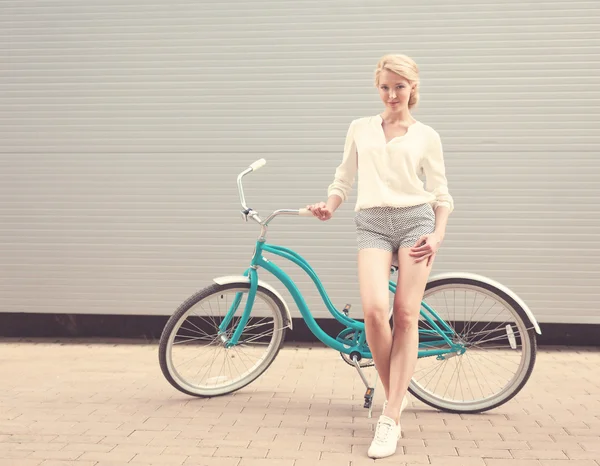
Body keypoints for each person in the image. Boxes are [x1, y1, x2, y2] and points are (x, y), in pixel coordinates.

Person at [307, 54, 454, 459]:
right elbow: (343, 178)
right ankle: (397, 396)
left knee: (406, 313)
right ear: (378, 88)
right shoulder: (360, 128)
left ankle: (389, 419)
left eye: (400, 87)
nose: (392, 94)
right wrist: (331, 205)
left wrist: (437, 235)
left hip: (416, 224)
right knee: (374, 310)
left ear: (412, 89)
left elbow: (442, 195)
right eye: (385, 87)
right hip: (370, 223)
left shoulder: (427, 135)